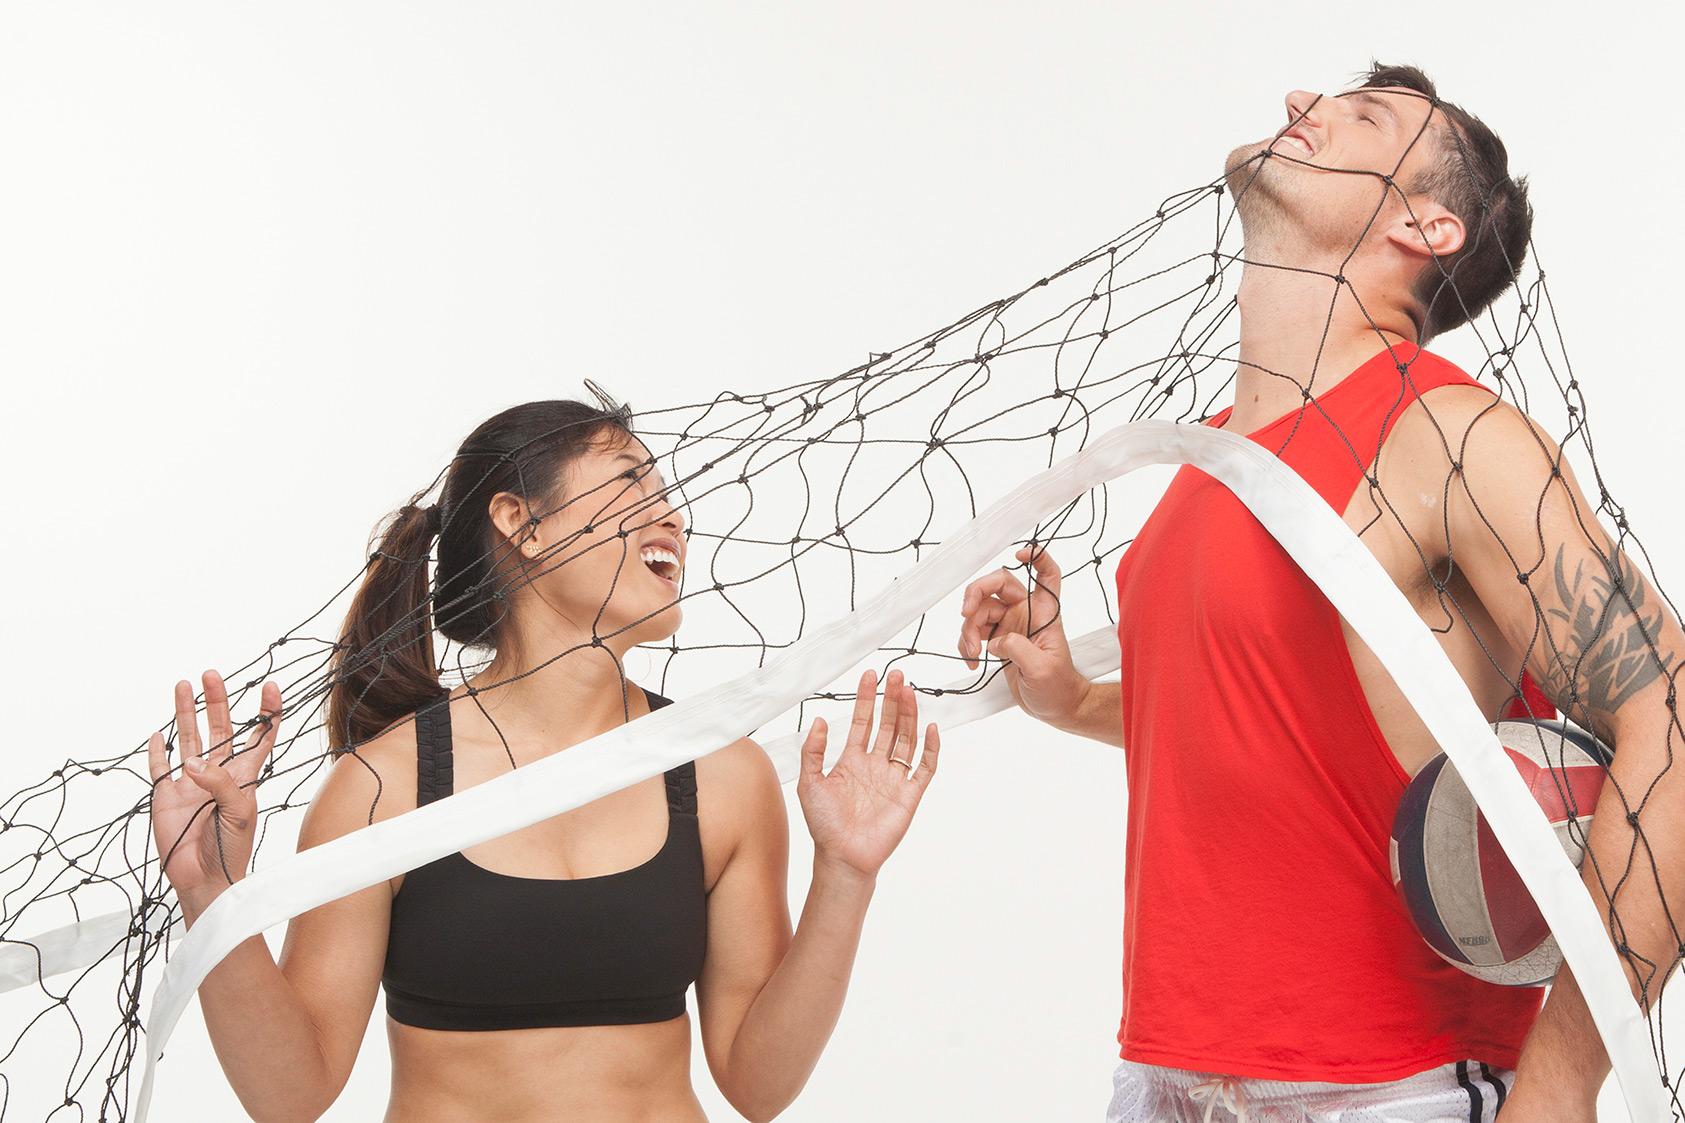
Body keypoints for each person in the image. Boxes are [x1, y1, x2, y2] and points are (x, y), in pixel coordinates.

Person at [958, 62, 1684, 1122]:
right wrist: (1069, 698)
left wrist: (1561, 1083)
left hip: (1389, 1092)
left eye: (1363, 115)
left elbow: (1668, 721)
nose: (1301, 101)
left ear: (1425, 227)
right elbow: (1271, 715)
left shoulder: (1444, 434)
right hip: (1161, 1081)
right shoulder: (1214, 457)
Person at [147, 395, 941, 1122]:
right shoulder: (384, 785)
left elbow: (758, 1085)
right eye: (631, 482)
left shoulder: (722, 775)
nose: (672, 516)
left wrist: (846, 872)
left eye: (665, 493)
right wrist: (212, 895)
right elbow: (289, 1094)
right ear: (520, 523)